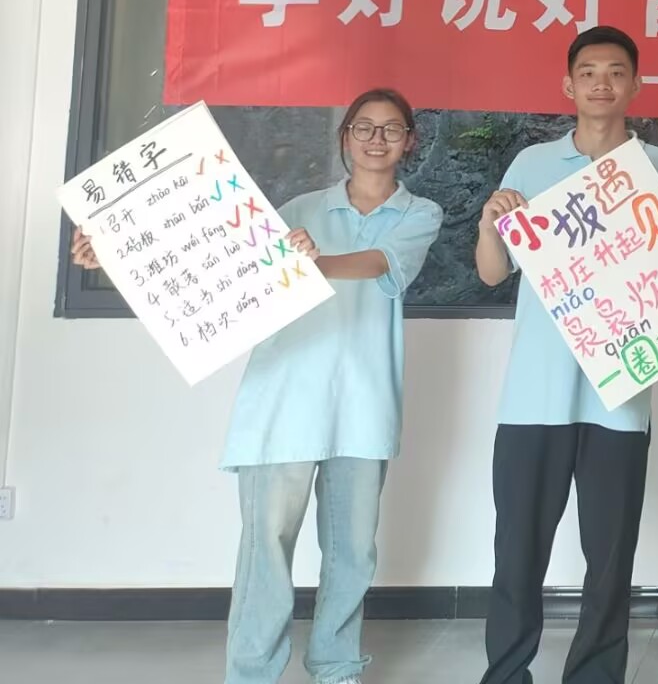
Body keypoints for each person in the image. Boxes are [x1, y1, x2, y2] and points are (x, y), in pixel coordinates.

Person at [75, 88, 444, 684]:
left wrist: (315, 264)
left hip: (363, 405)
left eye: (391, 129)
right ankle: (251, 674)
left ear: (410, 141)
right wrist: (116, 252)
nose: (376, 139)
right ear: (345, 136)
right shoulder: (298, 208)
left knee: (352, 553)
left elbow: (381, 263)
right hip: (282, 401)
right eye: (364, 127)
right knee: (265, 549)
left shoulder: (420, 214)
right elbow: (216, 263)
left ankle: (336, 668)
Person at [475, 24, 658, 684]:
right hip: (534, 394)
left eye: (616, 72)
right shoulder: (531, 165)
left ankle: (595, 675)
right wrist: (489, 222)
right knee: (517, 551)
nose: (602, 83)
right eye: (589, 72)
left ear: (636, 85)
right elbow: (492, 272)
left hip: (620, 395)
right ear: (568, 85)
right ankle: (505, 673)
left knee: (610, 554)